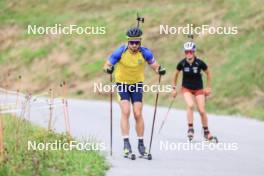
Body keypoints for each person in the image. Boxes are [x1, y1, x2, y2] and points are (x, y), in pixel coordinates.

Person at [103, 27, 166, 157]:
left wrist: (159, 70)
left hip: (137, 85)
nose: (134, 45)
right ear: (128, 42)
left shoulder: (145, 52)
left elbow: (154, 65)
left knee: (138, 113)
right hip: (122, 84)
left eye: (137, 42)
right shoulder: (121, 51)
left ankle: (141, 145)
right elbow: (106, 65)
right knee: (126, 111)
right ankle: (126, 143)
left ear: (140, 41)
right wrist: (108, 69)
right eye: (132, 42)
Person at [172, 41, 216, 141]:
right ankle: (190, 128)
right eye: (186, 52)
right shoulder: (182, 63)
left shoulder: (199, 63)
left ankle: (206, 131)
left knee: (202, 110)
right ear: (184, 52)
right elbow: (175, 74)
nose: (188, 54)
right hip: (186, 88)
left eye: (191, 52)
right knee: (191, 105)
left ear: (194, 52)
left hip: (198, 89)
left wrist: (208, 87)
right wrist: (174, 89)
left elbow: (208, 73)